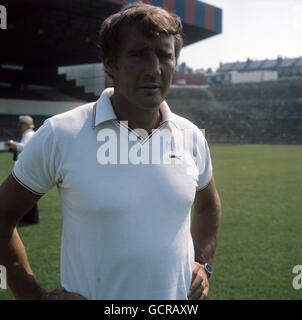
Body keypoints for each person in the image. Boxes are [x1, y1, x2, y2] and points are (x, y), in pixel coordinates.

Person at [0, 2, 221, 300]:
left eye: (165, 55)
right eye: (138, 54)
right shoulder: (61, 132)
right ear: (109, 63)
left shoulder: (191, 136)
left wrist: (203, 263)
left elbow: (208, 206)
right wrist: (33, 296)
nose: (154, 69)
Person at [6, 115, 39, 225]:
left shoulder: (29, 135)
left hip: (27, 169)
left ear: (27, 125)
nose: (19, 126)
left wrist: (12, 143)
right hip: (27, 168)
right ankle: (28, 219)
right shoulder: (28, 134)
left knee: (27, 195)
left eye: (21, 123)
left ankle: (29, 219)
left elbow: (25, 148)